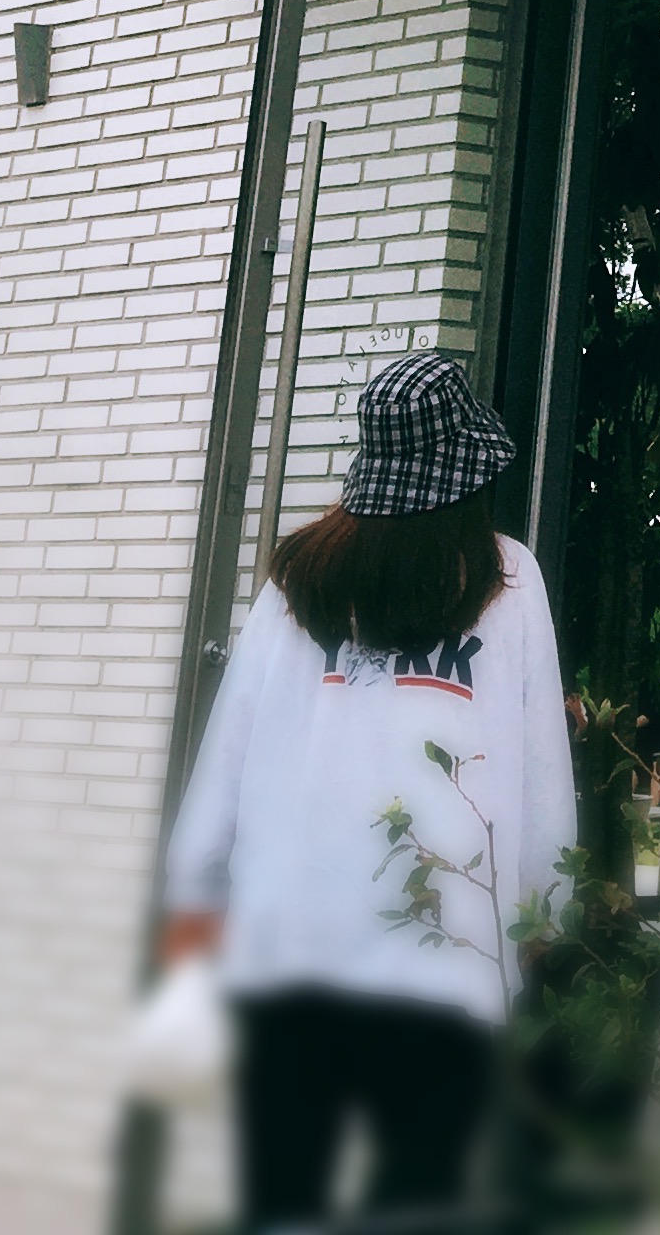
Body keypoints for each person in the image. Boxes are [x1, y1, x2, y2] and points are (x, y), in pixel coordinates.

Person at [161, 353, 577, 1228]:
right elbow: (542, 773)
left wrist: (194, 901)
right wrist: (547, 918)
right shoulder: (505, 579)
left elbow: (227, 758)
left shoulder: (298, 582)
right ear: (468, 475)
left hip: (287, 948)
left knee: (282, 1203)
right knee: (416, 1203)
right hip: (446, 958)